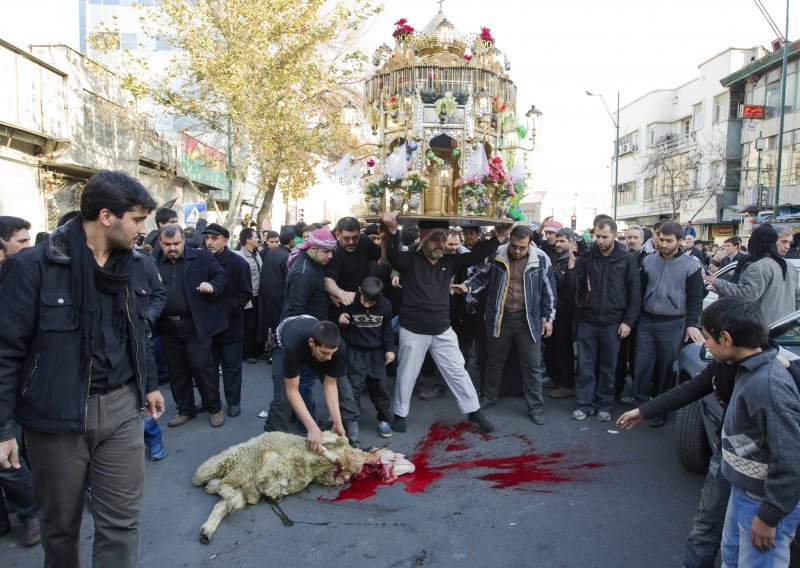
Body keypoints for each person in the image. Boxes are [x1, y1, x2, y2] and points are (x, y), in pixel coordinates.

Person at [0, 170, 164, 567]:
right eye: (138, 219)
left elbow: (137, 331)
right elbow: (6, 351)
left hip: (123, 408)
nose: (144, 229)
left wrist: (151, 383)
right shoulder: (32, 267)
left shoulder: (136, 265)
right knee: (60, 528)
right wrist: (3, 428)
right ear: (107, 216)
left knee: (121, 525)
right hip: (55, 419)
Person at [382, 212, 511, 434]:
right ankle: (400, 414)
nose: (441, 244)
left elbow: (476, 254)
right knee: (406, 373)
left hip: (442, 328)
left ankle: (473, 411)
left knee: (458, 370)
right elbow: (393, 256)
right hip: (414, 329)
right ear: (423, 240)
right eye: (435, 239)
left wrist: (498, 237)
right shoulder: (410, 261)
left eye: (443, 239)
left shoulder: (450, 262)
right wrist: (393, 231)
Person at [705, 299, 800, 565]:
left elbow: (791, 457)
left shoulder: (767, 384)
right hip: (745, 491)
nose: (706, 346)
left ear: (725, 338)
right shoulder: (747, 371)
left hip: (762, 500)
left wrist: (770, 515)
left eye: (708, 339)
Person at [266, 228, 361, 444]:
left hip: (317, 334)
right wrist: (312, 345)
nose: (331, 256)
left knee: (338, 383)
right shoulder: (302, 274)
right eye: (327, 252)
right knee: (286, 395)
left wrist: (329, 299)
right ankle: (273, 441)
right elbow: (295, 314)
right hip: (299, 337)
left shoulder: (315, 263)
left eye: (332, 252)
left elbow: (330, 385)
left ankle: (344, 432)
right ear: (314, 249)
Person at [456, 225, 556, 424]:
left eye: (522, 247)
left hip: (529, 319)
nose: (517, 251)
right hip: (500, 317)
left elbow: (549, 291)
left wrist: (548, 319)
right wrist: (466, 287)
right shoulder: (496, 254)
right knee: (494, 360)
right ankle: (489, 397)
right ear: (510, 241)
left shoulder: (542, 258)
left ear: (530, 244)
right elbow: (481, 276)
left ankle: (535, 407)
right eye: (515, 246)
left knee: (532, 365)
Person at [630, 221, 704, 426]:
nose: (663, 244)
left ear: (679, 241)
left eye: (668, 240)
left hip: (673, 323)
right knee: (642, 363)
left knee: (666, 367)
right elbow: (639, 292)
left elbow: (695, 298)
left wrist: (691, 324)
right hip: (646, 320)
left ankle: (660, 409)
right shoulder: (648, 261)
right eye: (660, 239)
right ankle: (639, 402)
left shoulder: (691, 265)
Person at [154, 224, 228, 427]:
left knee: (201, 367)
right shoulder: (152, 261)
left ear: (183, 241)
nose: (172, 248)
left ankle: (214, 407)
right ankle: (186, 409)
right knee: (177, 371)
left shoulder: (201, 257)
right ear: (160, 242)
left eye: (176, 243)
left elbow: (221, 277)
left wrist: (212, 287)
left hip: (195, 325)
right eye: (167, 244)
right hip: (167, 326)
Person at [572, 217, 641, 422]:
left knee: (608, 366)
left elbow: (634, 293)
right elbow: (578, 286)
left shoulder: (626, 259)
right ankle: (585, 404)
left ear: (614, 235)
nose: (600, 240)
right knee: (584, 366)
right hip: (588, 320)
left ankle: (604, 404)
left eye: (605, 237)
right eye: (597, 236)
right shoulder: (587, 256)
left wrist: (628, 321)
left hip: (613, 322)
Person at [269, 316, 360, 450]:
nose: (329, 358)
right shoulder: (293, 345)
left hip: (311, 340)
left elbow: (330, 385)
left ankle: (350, 444)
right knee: (283, 399)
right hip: (285, 341)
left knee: (344, 390)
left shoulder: (338, 348)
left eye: (331, 354)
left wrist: (337, 422)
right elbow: (292, 390)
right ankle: (271, 446)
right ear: (312, 342)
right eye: (325, 353)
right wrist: (312, 427)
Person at [705, 224, 800, 326]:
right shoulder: (788, 265)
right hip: (783, 329)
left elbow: (747, 294)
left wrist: (717, 282)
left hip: (761, 328)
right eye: (783, 242)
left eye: (789, 243)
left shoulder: (761, 266)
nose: (787, 246)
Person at [338, 277, 395, 438]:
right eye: (365, 300)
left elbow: (387, 329)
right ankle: (351, 419)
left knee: (380, 387)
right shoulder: (350, 302)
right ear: (359, 290)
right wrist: (341, 319)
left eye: (371, 303)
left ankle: (383, 419)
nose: (367, 305)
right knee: (354, 387)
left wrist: (390, 350)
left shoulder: (385, 305)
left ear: (380, 296)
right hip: (355, 351)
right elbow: (341, 329)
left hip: (377, 352)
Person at [205, 223, 252, 418]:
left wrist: (224, 310)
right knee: (209, 368)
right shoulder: (200, 260)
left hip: (230, 325)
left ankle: (233, 402)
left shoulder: (238, 263)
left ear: (225, 240)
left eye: (214, 238)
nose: (209, 242)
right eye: (207, 238)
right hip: (206, 326)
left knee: (232, 367)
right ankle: (212, 402)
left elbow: (245, 293)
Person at [324, 216, 382, 310]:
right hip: (343, 303)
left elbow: (381, 259)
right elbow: (328, 281)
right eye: (346, 238)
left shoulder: (364, 240)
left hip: (365, 300)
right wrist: (342, 293)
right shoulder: (333, 251)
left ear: (359, 233)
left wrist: (386, 237)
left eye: (355, 237)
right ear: (338, 235)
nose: (351, 242)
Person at [546, 228, 578, 398]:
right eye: (557, 241)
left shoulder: (575, 260)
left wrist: (571, 266)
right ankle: (556, 378)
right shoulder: (556, 257)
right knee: (551, 346)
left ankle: (567, 384)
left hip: (566, 311)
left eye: (562, 241)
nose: (557, 244)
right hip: (553, 309)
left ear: (571, 242)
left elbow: (570, 285)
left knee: (563, 348)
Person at [258, 226, 294, 358]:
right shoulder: (287, 255)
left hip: (266, 293)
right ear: (291, 240)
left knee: (269, 323)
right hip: (280, 295)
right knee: (279, 324)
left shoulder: (270, 252)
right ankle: (277, 351)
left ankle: (270, 349)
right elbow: (288, 279)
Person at [236, 227, 263, 362]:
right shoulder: (239, 257)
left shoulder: (256, 254)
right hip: (248, 296)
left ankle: (256, 351)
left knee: (257, 323)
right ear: (248, 240)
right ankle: (247, 354)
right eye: (255, 237)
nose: (258, 239)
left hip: (259, 295)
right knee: (248, 326)